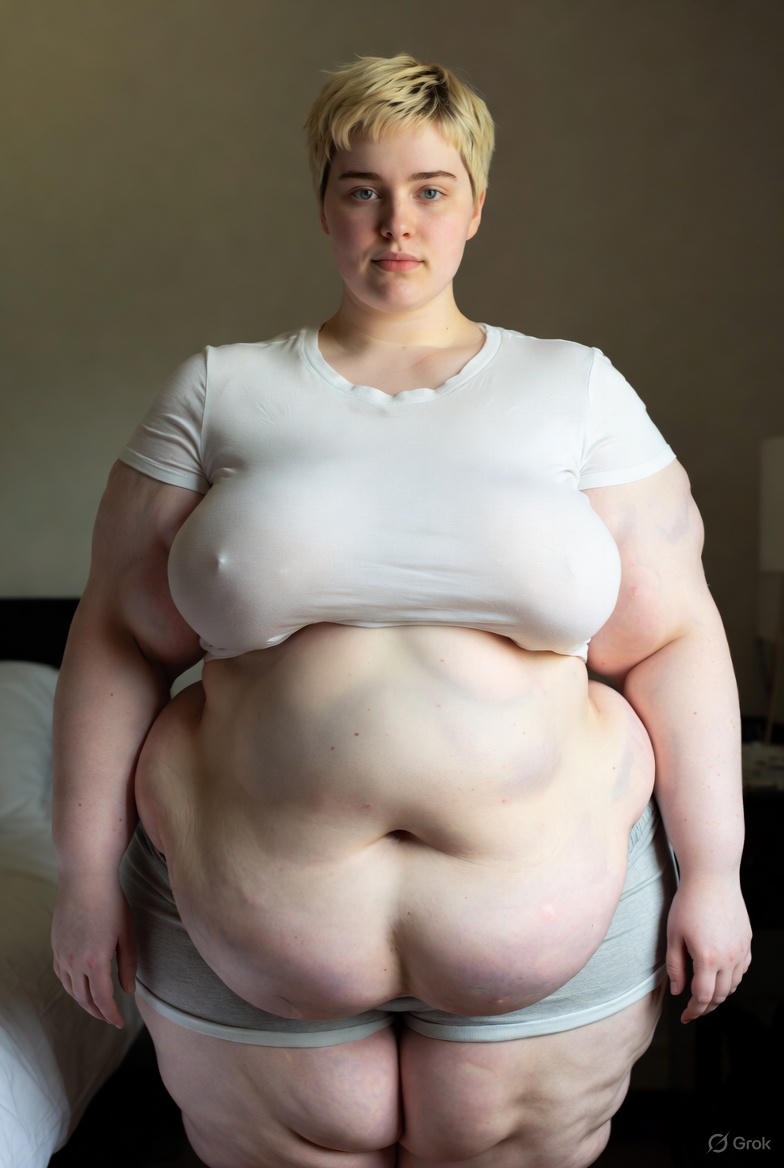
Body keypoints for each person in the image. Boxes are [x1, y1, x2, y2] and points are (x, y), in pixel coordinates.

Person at [51, 53, 751, 1168]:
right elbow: (117, 638)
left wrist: (715, 872)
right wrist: (86, 879)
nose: (396, 223)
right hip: (248, 919)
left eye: (430, 189)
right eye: (361, 190)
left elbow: (673, 638)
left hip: (544, 917)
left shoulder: (576, 388)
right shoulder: (219, 390)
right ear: (324, 207)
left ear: (475, 205)